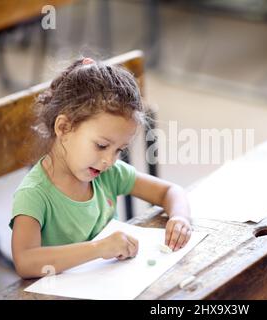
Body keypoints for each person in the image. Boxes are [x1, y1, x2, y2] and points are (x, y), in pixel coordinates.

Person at [10, 57, 191, 279]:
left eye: (119, 150)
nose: (109, 160)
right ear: (64, 127)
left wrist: (180, 217)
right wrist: (98, 249)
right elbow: (25, 261)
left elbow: (170, 191)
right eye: (102, 145)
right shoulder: (34, 194)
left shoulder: (106, 173)